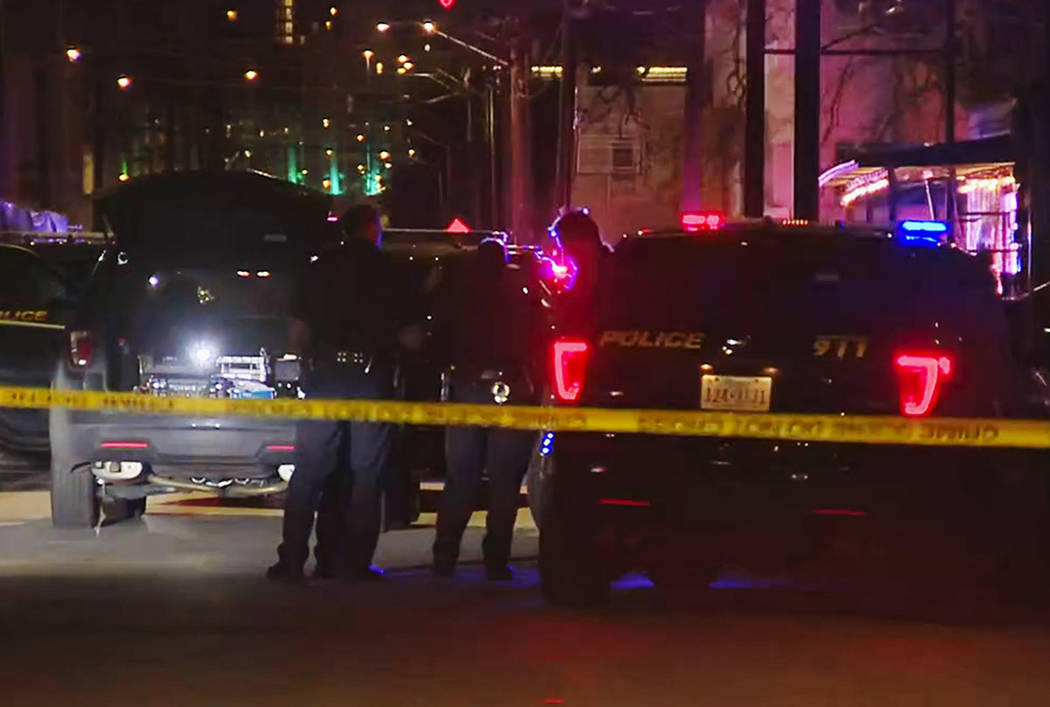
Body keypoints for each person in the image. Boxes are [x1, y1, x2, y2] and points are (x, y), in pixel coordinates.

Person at [268, 203, 419, 583]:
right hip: (371, 378)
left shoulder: (319, 269)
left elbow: (297, 333)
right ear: (372, 230)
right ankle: (354, 563)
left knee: (310, 473)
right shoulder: (391, 272)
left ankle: (291, 560)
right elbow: (413, 337)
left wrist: (311, 365)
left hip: (326, 376)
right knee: (366, 475)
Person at [431, 239, 546, 581]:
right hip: (510, 390)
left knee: (460, 480)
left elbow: (439, 339)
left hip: (466, 388)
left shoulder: (458, 295)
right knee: (504, 482)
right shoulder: (521, 294)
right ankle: (496, 561)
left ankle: (445, 558)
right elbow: (539, 338)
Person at [547, 209, 608, 335]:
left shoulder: (604, 271)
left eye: (564, 243)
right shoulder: (586, 270)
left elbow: (580, 308)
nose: (564, 251)